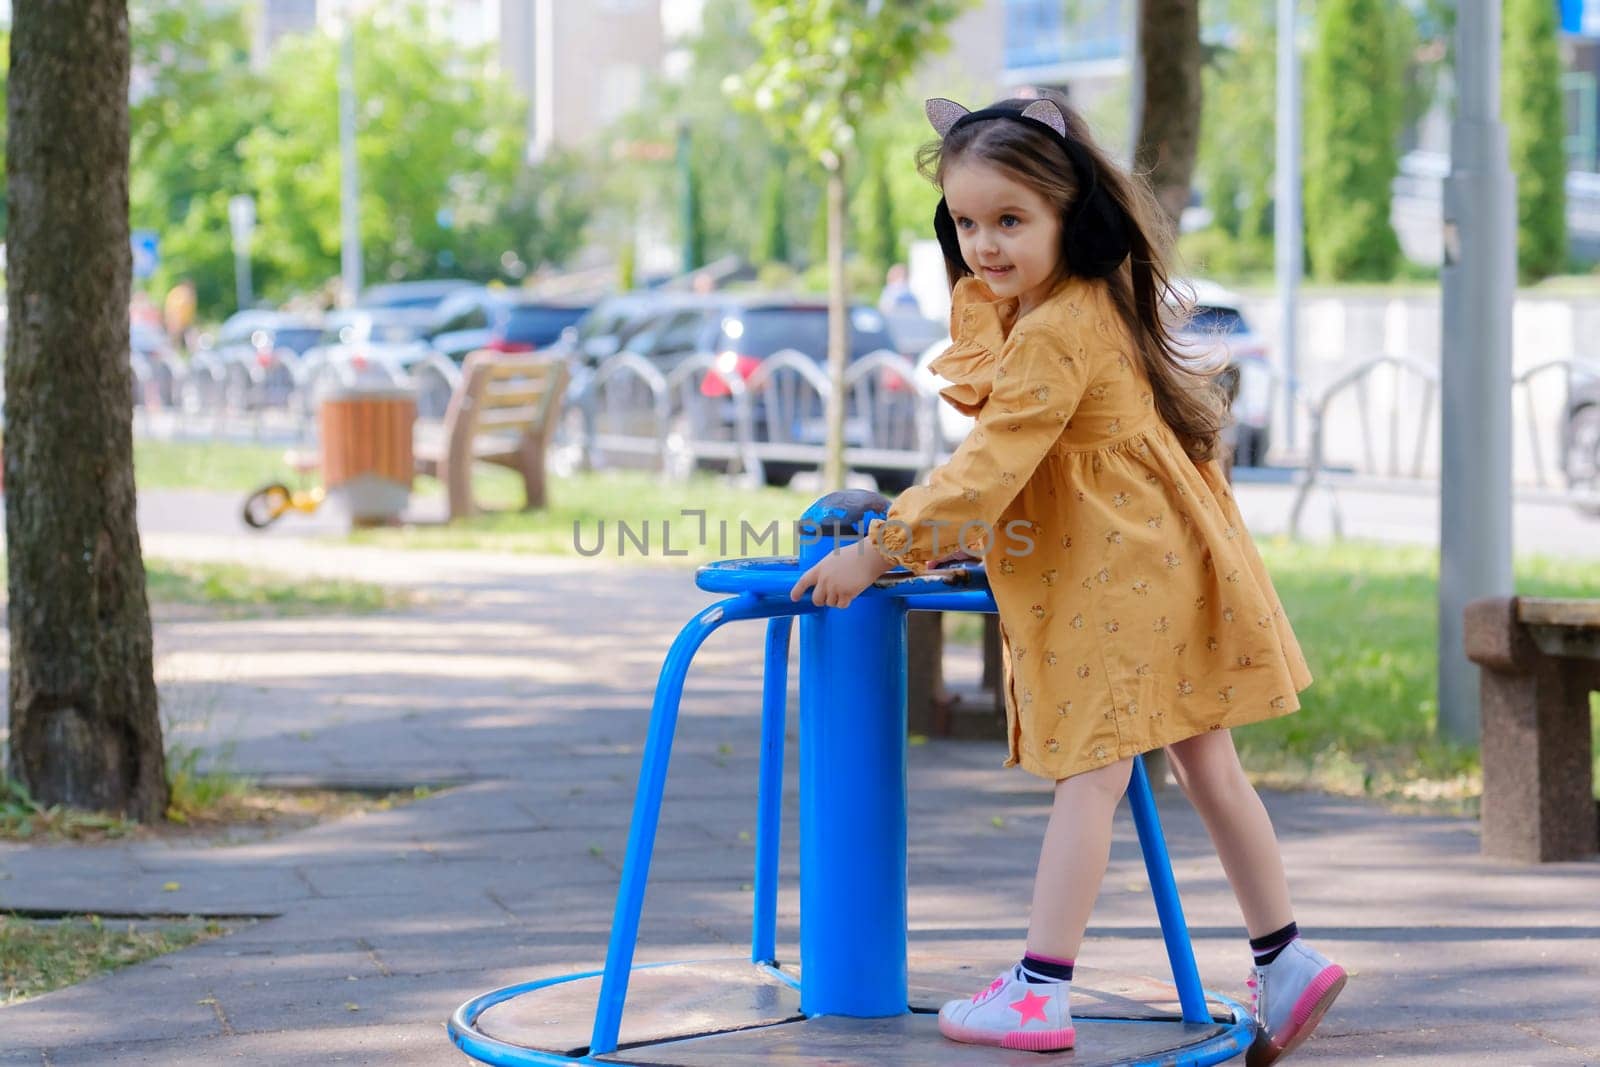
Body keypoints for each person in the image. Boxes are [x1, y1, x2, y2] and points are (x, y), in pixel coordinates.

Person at [789, 91, 1346, 1065]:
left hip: (1115, 576)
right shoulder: (1093, 300)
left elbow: (988, 465)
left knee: (1090, 773)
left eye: (1010, 220)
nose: (984, 246)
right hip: (1162, 559)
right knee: (1206, 762)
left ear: (1065, 213)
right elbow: (1044, 465)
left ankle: (1040, 989)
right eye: (965, 222)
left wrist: (877, 548)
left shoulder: (1052, 330)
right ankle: (1285, 956)